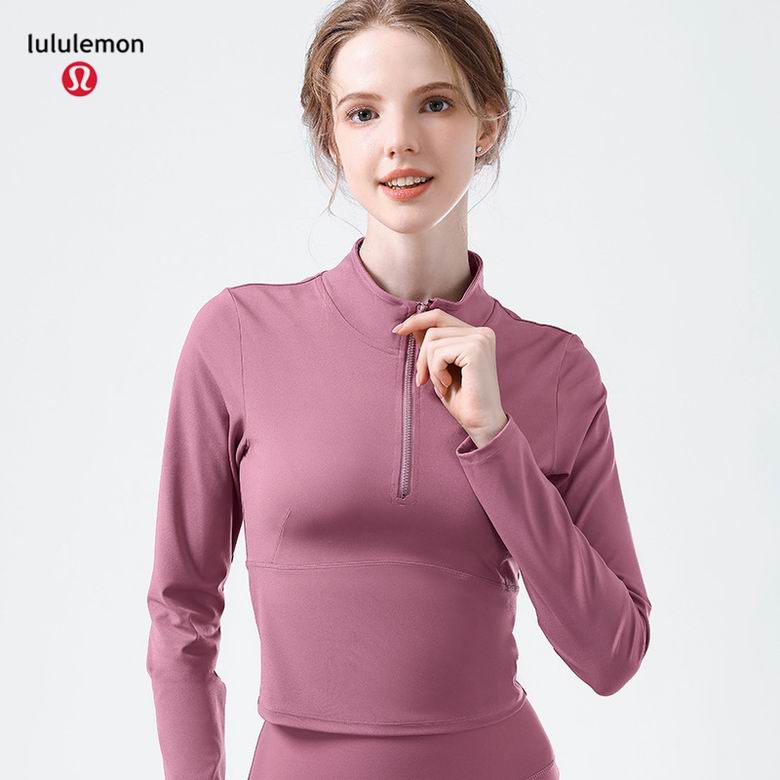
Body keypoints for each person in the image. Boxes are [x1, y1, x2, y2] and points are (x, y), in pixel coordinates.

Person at [145, 2, 653, 778]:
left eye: (435, 104)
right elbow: (181, 611)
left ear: (488, 123)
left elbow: (612, 656)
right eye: (363, 112)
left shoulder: (554, 370)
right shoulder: (239, 336)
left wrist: (496, 439)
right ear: (332, 138)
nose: (399, 141)